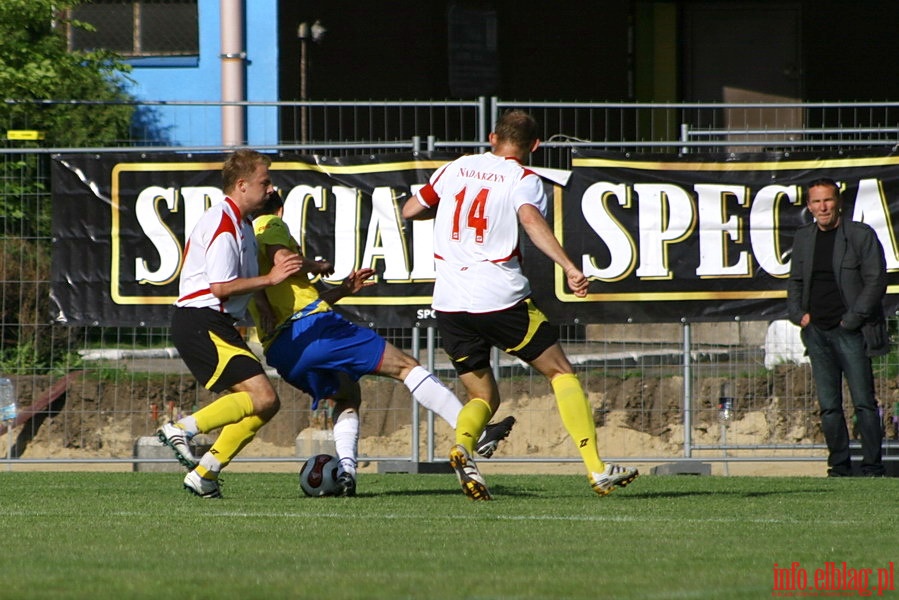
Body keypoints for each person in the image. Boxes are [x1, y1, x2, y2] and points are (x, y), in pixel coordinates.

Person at [402, 109, 639, 500]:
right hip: (499, 297)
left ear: (492, 138)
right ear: (535, 146)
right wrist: (568, 266)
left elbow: (412, 209)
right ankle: (598, 470)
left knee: (483, 397)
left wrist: (441, 210)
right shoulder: (523, 179)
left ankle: (463, 446)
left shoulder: (457, 166)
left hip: (449, 301)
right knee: (560, 371)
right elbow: (529, 219)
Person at [250, 190, 516, 496]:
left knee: (347, 395)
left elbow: (289, 296)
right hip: (315, 328)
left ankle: (346, 471)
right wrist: (317, 265)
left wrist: (344, 289)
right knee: (406, 366)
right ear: (280, 209)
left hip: (281, 350)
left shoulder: (244, 243)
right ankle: (478, 434)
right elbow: (287, 262)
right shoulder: (270, 223)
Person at [157, 149, 303, 498]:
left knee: (266, 402)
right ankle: (182, 429)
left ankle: (204, 473)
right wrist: (269, 281)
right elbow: (220, 286)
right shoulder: (224, 223)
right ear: (241, 185)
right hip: (202, 321)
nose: (270, 189)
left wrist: (262, 301)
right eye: (264, 182)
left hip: (212, 322)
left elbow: (239, 280)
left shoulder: (242, 223)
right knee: (264, 397)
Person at [786, 177, 888, 477]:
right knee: (829, 406)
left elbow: (876, 280)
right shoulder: (804, 237)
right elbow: (795, 281)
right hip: (817, 333)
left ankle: (872, 467)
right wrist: (798, 315)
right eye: (816, 202)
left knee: (864, 403)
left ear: (838, 202)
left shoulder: (860, 235)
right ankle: (839, 467)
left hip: (851, 332)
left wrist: (853, 319)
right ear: (809, 206)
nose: (823, 207)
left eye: (828, 200)